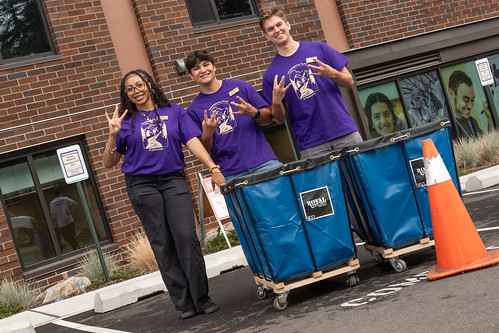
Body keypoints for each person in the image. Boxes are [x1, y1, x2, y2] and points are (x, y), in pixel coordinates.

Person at [102, 69, 225, 319]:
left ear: (149, 84)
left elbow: (192, 142)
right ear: (126, 94)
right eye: (130, 89)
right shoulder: (125, 121)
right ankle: (183, 304)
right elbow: (108, 162)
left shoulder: (174, 112)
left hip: (172, 180)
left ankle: (201, 298)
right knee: (162, 243)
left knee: (186, 236)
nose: (136, 91)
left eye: (139, 85)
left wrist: (212, 167)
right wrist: (113, 134)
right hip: (142, 185)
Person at [259, 7, 363, 158]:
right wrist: (276, 102)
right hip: (311, 144)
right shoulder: (270, 74)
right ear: (266, 36)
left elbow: (349, 81)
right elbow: (280, 119)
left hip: (345, 132)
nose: (276, 30)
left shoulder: (320, 48)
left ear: (288, 24)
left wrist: (332, 73)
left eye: (279, 24)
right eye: (270, 29)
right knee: (325, 183)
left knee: (360, 179)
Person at [185, 50, 281, 182]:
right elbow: (203, 152)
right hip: (231, 173)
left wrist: (254, 113)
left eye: (206, 64)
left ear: (214, 67)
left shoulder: (241, 86)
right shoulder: (193, 110)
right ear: (191, 75)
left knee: (283, 201)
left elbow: (269, 118)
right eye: (196, 68)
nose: (203, 70)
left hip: (264, 162)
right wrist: (207, 134)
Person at [447, 70, 493, 138]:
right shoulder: (449, 127)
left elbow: (486, 143)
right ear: (451, 94)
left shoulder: (472, 120)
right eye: (466, 100)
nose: (470, 106)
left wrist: (489, 117)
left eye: (472, 100)